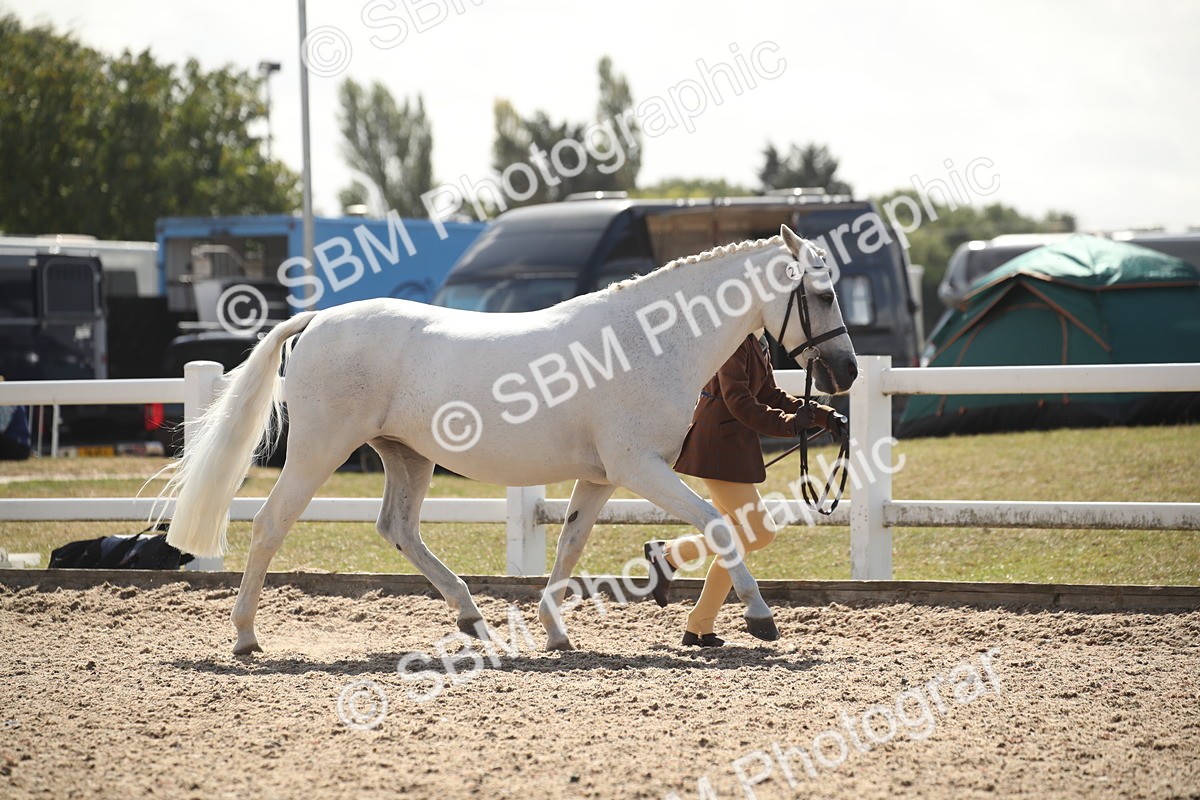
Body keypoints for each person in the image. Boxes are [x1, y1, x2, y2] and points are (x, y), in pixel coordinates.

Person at [644, 332, 845, 647]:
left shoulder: (754, 339)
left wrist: (823, 415)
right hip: (717, 449)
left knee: (737, 542)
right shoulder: (732, 341)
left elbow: (770, 394)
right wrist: (792, 425)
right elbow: (739, 402)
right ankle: (670, 554)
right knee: (760, 531)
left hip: (730, 450)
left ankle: (699, 624)